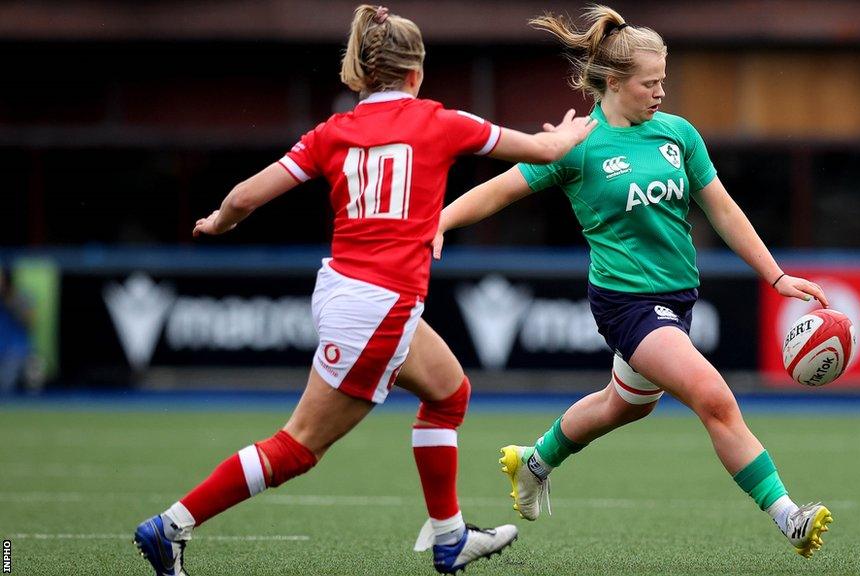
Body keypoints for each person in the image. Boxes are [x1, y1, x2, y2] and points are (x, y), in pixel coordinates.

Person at [132, 5, 595, 576]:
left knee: (448, 393)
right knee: (299, 448)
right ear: (415, 74)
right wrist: (570, 132)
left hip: (344, 291)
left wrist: (219, 222)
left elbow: (247, 195)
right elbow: (547, 152)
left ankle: (449, 538)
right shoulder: (440, 121)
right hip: (381, 306)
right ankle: (171, 525)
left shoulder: (335, 132)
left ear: (364, 73)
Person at [432, 5, 834, 559]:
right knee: (714, 397)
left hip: (677, 299)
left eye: (664, 80)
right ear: (615, 83)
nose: (662, 92)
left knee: (626, 404)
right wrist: (440, 223)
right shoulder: (578, 146)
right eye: (652, 82)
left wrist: (777, 276)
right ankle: (789, 515)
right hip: (627, 304)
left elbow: (721, 209)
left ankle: (533, 461)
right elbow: (501, 189)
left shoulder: (677, 135)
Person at [0, 265, 33, 395]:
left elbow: (29, 321)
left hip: (14, 353)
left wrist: (9, 300)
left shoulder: (18, 297)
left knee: (6, 385)